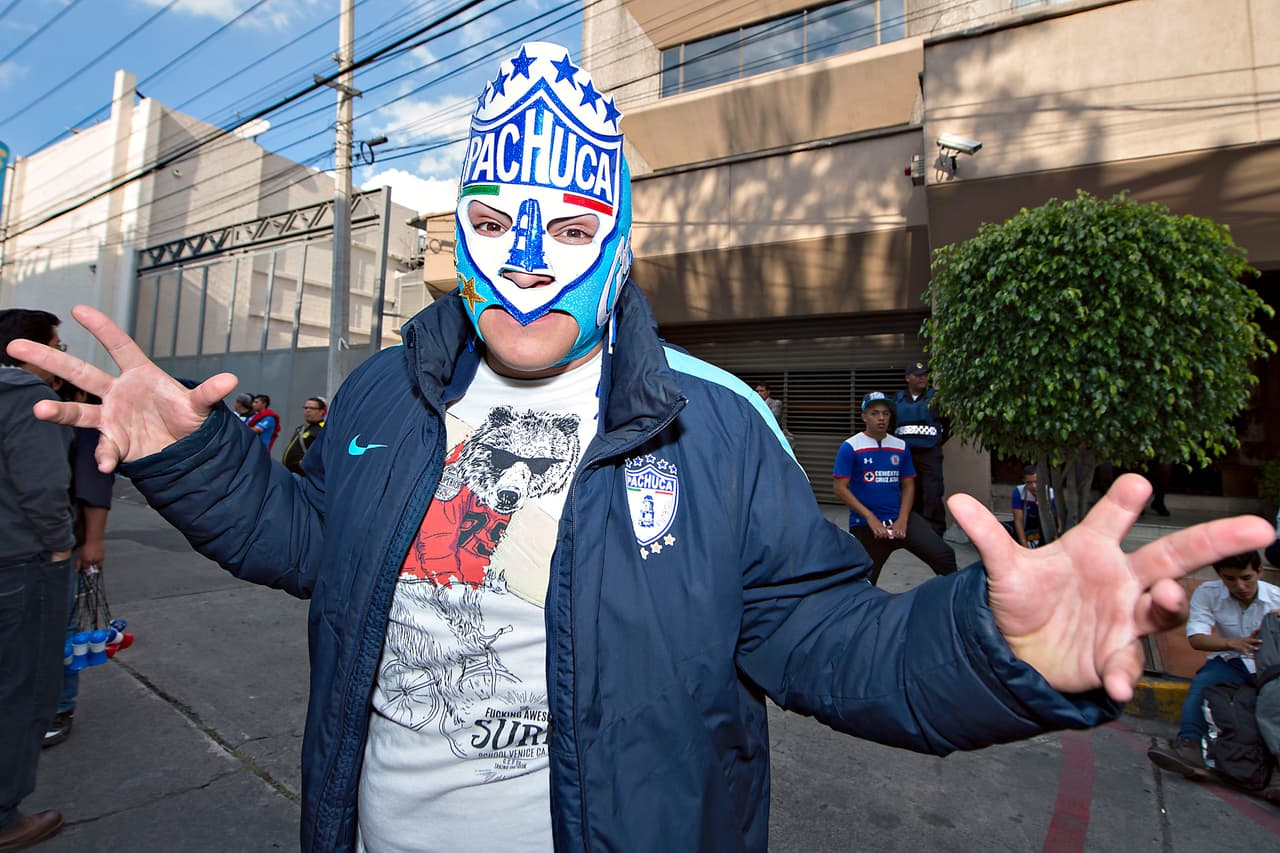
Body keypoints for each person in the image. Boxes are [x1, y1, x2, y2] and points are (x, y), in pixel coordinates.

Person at [8, 43, 1275, 853]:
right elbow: (324, 552)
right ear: (460, 227)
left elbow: (823, 638)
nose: (525, 260)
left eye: (566, 224)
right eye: (497, 218)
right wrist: (193, 458)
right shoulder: (388, 394)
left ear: (618, 243)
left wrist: (992, 648)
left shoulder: (714, 425)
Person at [0, 309, 73, 850]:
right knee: (21, 689)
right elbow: (43, 485)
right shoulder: (26, 396)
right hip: (21, 562)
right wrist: (60, 546)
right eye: (55, 344)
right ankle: (5, 815)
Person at [1146, 549, 1280, 779]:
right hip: (1232, 660)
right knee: (1204, 682)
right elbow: (1196, 638)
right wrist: (1232, 643)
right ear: (1219, 575)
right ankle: (1189, 747)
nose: (1239, 586)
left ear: (1259, 572)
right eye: (1230, 579)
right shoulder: (1207, 594)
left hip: (1270, 667)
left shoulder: (1277, 597)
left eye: (1246, 578)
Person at [43, 382, 115, 749]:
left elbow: (94, 485)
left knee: (62, 628)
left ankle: (60, 707)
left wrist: (93, 541)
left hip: (61, 546)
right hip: (38, 546)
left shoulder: (85, 426)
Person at [833, 391, 957, 585]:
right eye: (874, 413)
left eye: (885, 413)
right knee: (863, 579)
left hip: (900, 520)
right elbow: (840, 488)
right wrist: (870, 518)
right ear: (864, 416)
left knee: (945, 556)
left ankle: (956, 602)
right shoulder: (850, 446)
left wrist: (903, 520)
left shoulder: (900, 446)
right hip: (867, 525)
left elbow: (908, 483)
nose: (881, 418)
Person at [894, 361, 948, 536]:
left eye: (924, 374)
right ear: (907, 378)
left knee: (933, 493)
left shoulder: (936, 398)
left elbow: (949, 424)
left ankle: (935, 533)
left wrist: (937, 441)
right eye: (917, 375)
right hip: (906, 454)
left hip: (930, 453)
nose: (922, 378)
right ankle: (912, 530)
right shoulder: (898, 399)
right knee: (910, 492)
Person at [1010, 465, 1060, 549]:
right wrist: (1024, 545)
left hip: (1044, 526)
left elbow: (1058, 520)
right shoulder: (1019, 492)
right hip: (1027, 524)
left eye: (1036, 482)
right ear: (1024, 481)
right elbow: (1018, 520)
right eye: (1029, 483)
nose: (1034, 486)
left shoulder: (1050, 494)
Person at [282, 397, 326, 476]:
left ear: (321, 411)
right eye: (306, 408)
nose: (308, 411)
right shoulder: (301, 428)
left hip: (305, 476)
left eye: (312, 408)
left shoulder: (322, 430)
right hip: (290, 473)